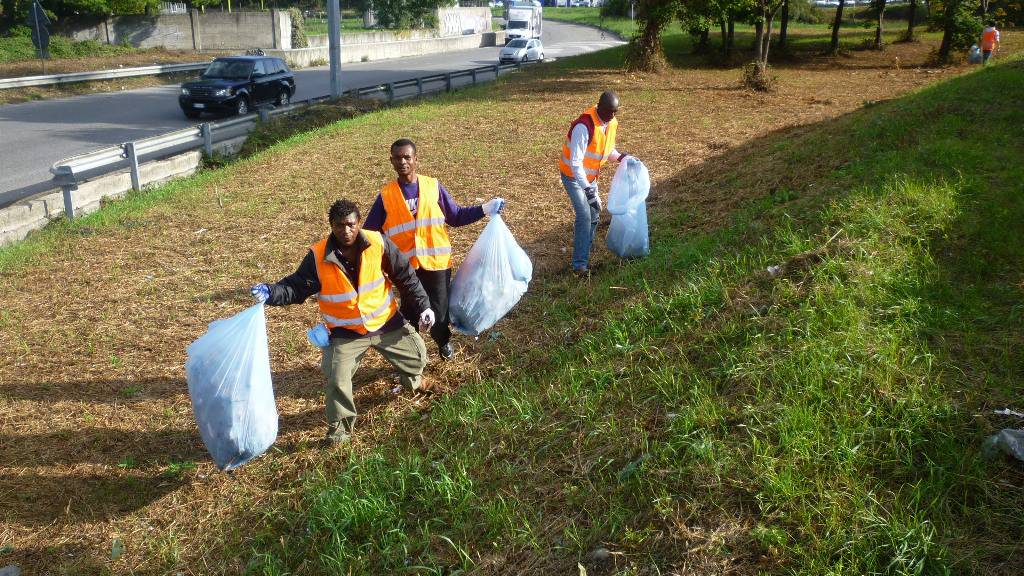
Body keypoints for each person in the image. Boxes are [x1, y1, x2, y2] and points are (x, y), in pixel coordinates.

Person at [250, 199, 435, 446]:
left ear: (358, 223)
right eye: (339, 226)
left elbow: (405, 276)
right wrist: (270, 293)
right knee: (337, 379)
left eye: (350, 224)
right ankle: (340, 430)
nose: (345, 231)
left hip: (385, 322)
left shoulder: (378, 243)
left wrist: (424, 306)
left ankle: (413, 380)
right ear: (331, 226)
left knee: (418, 356)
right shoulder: (318, 256)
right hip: (346, 332)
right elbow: (296, 287)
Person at [362, 138, 505, 361]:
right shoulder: (386, 196)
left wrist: (485, 208)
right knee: (410, 313)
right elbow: (369, 233)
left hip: (437, 263)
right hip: (406, 268)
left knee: (439, 311)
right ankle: (411, 354)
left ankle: (443, 342)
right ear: (391, 161)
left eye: (407, 157)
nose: (403, 162)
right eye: (398, 158)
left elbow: (455, 216)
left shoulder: (432, 186)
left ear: (416, 159)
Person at [558, 91, 631, 276]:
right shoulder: (584, 126)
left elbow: (608, 149)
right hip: (573, 177)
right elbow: (575, 164)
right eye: (609, 112)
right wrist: (589, 192)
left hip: (591, 177)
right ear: (599, 107)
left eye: (615, 112)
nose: (612, 116)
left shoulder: (610, 123)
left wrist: (623, 157)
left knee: (595, 214)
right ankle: (579, 266)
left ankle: (585, 249)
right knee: (584, 216)